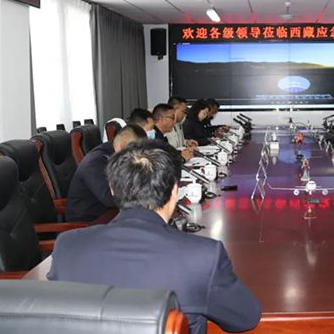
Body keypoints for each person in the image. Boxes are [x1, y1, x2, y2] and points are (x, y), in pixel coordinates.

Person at [48, 140, 262, 334]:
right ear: (174, 192)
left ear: (112, 189)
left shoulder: (67, 246)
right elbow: (246, 318)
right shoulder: (204, 257)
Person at [65, 124, 146, 222]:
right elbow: (109, 199)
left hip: (108, 213)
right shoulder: (95, 162)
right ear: (123, 146)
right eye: (136, 151)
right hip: (88, 221)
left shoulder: (114, 154)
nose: (138, 156)